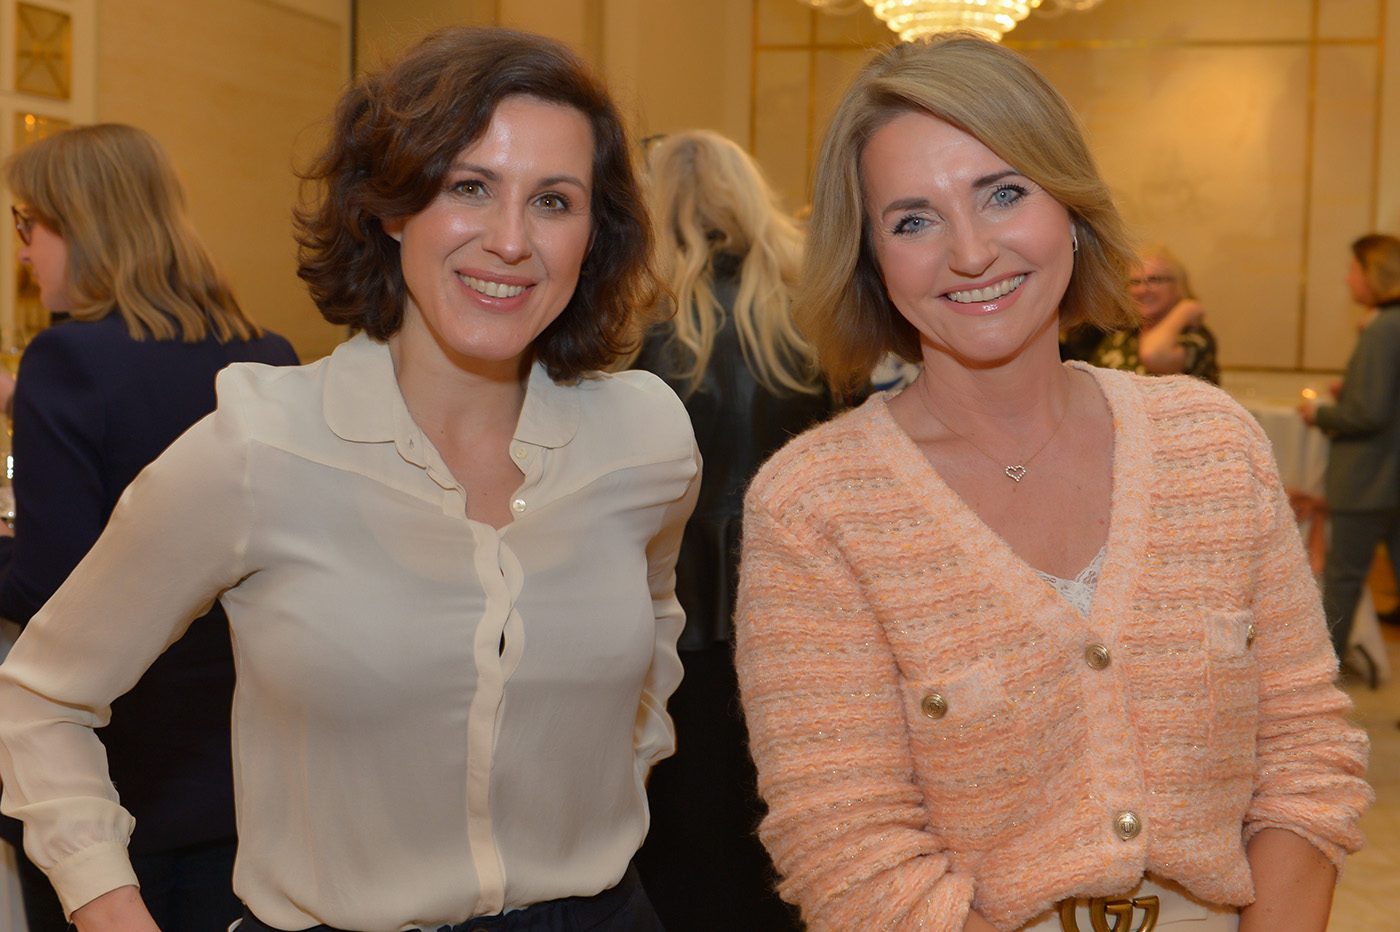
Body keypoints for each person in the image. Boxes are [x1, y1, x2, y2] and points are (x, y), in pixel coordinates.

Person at [0, 26, 699, 932]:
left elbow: (656, 622)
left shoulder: (644, 438)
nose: (510, 240)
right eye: (470, 187)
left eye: (554, 201)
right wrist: (105, 901)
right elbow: (41, 694)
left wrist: (613, 776)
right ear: (392, 207)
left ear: (593, 234)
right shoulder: (263, 447)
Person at [734, 34, 1371, 932]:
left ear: (1069, 207)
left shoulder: (1212, 443)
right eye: (913, 220)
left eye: (1004, 193)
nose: (971, 252)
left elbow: (1305, 756)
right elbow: (850, 851)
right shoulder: (815, 506)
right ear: (870, 258)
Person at [0, 123, 299, 932]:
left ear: (82, 224)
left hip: (117, 777)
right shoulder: (270, 356)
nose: (23, 252)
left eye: (29, 224)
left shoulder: (67, 358)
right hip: (248, 776)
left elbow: (50, 588)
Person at [629, 129, 828, 932]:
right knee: (783, 815)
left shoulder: (635, 321)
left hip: (669, 598)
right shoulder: (807, 313)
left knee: (682, 822)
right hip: (798, 590)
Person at [1300, 233, 1400, 664]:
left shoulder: (1383, 327)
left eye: (1353, 269)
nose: (1347, 279)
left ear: (1375, 273)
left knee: (1342, 581)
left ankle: (1321, 678)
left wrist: (1320, 414)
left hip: (1368, 479)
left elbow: (1369, 414)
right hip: (1389, 477)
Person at [1085, 243, 1219, 383]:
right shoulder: (1121, 336)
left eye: (1154, 280)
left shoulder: (1194, 337)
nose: (1143, 290)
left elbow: (1154, 355)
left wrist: (1186, 310)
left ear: (1178, 286)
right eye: (1135, 282)